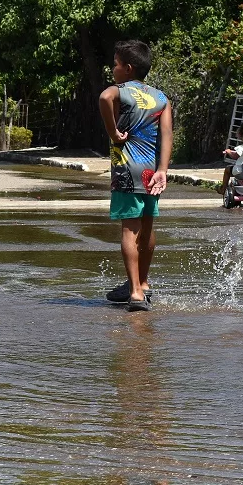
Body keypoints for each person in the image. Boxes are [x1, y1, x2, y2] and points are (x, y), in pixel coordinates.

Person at [98, 40, 172, 312]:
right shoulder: (162, 98)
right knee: (148, 225)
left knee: (130, 229)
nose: (113, 69)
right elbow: (167, 135)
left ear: (127, 69)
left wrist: (113, 132)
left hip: (127, 167)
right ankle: (143, 282)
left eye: (115, 64)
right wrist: (163, 170)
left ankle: (136, 293)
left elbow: (105, 98)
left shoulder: (120, 90)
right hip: (152, 171)